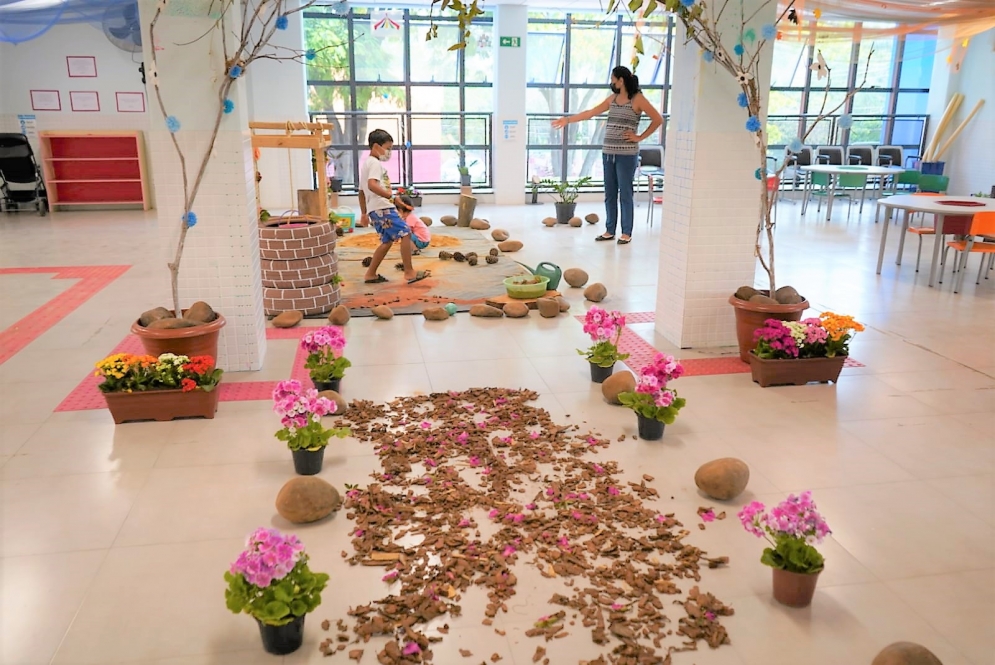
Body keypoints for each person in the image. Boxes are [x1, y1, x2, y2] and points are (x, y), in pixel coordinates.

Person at [552, 66, 663, 245]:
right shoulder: (612, 99)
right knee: (610, 193)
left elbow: (658, 119)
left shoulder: (638, 99)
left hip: (626, 155)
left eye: (613, 79)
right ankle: (610, 230)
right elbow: (590, 113)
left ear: (621, 80)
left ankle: (626, 232)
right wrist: (567, 120)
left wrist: (640, 137)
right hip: (608, 153)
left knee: (625, 193)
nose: (611, 82)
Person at [357, 129, 430, 285]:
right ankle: (409, 272)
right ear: (376, 146)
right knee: (405, 233)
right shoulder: (375, 163)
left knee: (387, 241)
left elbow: (361, 192)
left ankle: (370, 273)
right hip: (383, 207)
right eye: (388, 148)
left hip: (374, 208)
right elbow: (371, 185)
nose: (389, 152)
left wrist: (364, 213)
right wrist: (392, 198)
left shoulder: (366, 164)